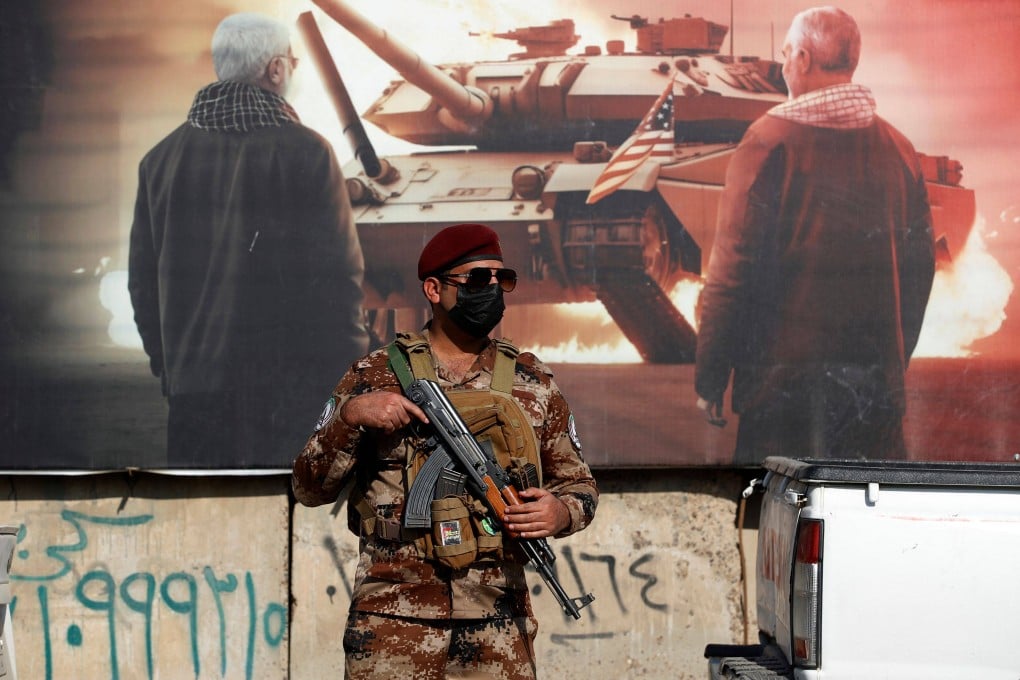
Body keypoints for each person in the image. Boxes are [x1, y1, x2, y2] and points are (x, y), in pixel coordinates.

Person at [292, 223, 598, 679]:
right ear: (433, 289)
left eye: (501, 279)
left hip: (498, 623)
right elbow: (309, 487)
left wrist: (561, 512)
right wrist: (351, 416)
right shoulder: (374, 374)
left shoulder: (532, 383)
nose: (492, 290)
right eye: (476, 280)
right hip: (394, 622)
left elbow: (580, 485)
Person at [694, 6, 936, 464]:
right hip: (874, 399)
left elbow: (731, 271)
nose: (783, 63)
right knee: (865, 523)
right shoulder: (900, 149)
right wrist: (890, 364)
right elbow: (921, 270)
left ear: (803, 58)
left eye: (786, 53)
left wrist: (710, 377)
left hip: (781, 398)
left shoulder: (767, 141)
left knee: (777, 527)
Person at [128, 13, 368, 467]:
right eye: (292, 63)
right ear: (275, 70)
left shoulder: (158, 161)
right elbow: (338, 281)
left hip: (193, 395)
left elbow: (141, 284)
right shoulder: (308, 152)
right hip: (287, 396)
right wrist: (351, 378)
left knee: (205, 520)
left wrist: (172, 370)